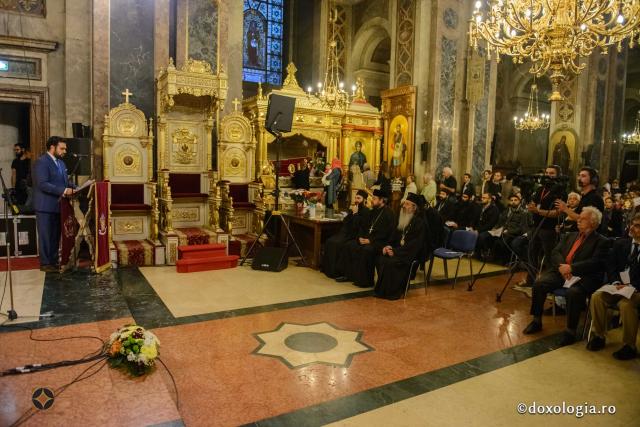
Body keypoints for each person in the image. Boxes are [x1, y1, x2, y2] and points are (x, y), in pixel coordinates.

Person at [523, 207, 609, 346]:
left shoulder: (601, 241)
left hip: (584, 277)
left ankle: (570, 331)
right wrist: (563, 267)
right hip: (562, 272)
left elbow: (595, 263)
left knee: (573, 293)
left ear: (593, 223)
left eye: (583, 219)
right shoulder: (570, 235)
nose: (578, 220)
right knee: (539, 284)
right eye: (579, 218)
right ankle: (536, 321)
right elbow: (555, 252)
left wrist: (572, 268)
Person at [587, 214, 640, 360]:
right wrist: (616, 283)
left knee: (625, 304)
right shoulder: (621, 244)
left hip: (637, 290)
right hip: (619, 286)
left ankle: (629, 346)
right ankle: (599, 336)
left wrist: (633, 287)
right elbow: (611, 265)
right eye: (632, 224)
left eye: (638, 226)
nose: (633, 228)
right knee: (597, 297)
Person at [336, 189, 395, 287]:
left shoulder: (389, 214)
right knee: (350, 245)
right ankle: (349, 275)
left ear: (381, 200)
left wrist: (370, 240)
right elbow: (365, 226)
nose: (372, 200)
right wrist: (361, 237)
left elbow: (386, 233)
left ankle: (365, 281)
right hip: (368, 239)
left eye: (375, 199)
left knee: (367, 250)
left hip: (380, 242)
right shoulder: (373, 211)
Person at [33, 137, 76, 272]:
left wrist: (79, 188)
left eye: (65, 149)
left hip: (59, 206)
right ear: (52, 147)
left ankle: (53, 261)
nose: (64, 151)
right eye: (62, 148)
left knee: (55, 236)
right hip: (45, 206)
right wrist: (64, 190)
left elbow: (65, 182)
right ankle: (46, 263)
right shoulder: (41, 162)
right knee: (46, 235)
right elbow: (43, 184)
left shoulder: (61, 164)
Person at [374, 193, 426, 300]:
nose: (403, 206)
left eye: (407, 204)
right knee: (381, 258)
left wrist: (396, 252)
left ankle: (394, 292)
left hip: (409, 254)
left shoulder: (419, 223)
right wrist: (388, 247)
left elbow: (415, 245)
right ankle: (382, 291)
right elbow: (393, 236)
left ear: (414, 208)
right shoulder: (401, 219)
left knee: (392, 262)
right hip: (398, 250)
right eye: (404, 204)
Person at [524, 165, 567, 285]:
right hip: (536, 226)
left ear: (558, 175)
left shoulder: (561, 192)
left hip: (549, 229)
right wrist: (531, 205)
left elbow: (558, 213)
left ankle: (547, 283)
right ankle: (530, 281)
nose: (548, 175)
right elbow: (535, 203)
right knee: (532, 254)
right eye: (547, 173)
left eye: (552, 173)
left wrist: (538, 211)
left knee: (549, 258)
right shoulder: (540, 189)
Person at [322, 190, 370, 278]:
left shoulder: (366, 212)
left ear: (364, 200)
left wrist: (355, 214)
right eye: (355, 198)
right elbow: (346, 222)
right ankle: (328, 270)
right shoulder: (354, 209)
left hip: (355, 236)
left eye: (358, 198)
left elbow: (357, 227)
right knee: (329, 241)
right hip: (346, 233)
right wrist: (351, 213)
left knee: (336, 244)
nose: (356, 200)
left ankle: (335, 272)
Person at [477, 193, 526, 258]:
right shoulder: (506, 211)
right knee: (483, 236)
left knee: (500, 242)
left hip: (511, 233)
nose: (513, 202)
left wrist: (509, 231)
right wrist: (495, 228)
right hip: (500, 231)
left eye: (515, 200)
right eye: (511, 200)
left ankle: (497, 258)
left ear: (519, 201)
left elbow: (521, 228)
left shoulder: (523, 213)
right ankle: (485, 253)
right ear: (509, 201)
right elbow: (499, 222)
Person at [11, 143, 31, 207]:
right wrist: (13, 188)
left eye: (17, 150)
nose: (16, 152)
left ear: (23, 149)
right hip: (18, 186)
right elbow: (13, 175)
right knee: (19, 204)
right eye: (15, 150)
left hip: (28, 186)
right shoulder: (15, 161)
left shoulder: (29, 160)